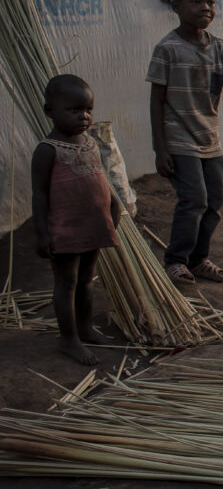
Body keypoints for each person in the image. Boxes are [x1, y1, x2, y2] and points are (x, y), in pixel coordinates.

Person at [147, 0, 223, 286]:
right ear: (176, 6)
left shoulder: (220, 49)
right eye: (196, 1)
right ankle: (175, 260)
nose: (206, 7)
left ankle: (198, 259)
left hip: (210, 140)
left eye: (210, 1)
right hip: (179, 140)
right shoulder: (167, 49)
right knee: (193, 199)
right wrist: (160, 148)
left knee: (215, 201)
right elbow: (156, 101)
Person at [31, 74, 121, 365]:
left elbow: (100, 180)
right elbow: (40, 196)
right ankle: (68, 339)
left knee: (86, 279)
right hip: (65, 230)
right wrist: (42, 234)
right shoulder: (47, 150)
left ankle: (84, 327)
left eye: (88, 110)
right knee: (66, 282)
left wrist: (114, 206)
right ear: (50, 111)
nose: (84, 116)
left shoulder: (90, 143)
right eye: (74, 110)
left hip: (92, 223)